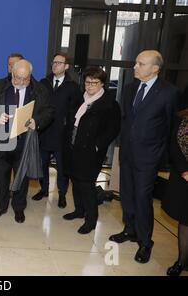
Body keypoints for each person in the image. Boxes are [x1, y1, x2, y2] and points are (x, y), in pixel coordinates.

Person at [109, 50, 179, 264]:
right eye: (136, 62)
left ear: (155, 68)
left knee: (142, 198)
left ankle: (145, 242)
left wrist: (164, 158)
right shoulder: (130, 89)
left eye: (141, 63)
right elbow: (127, 119)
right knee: (127, 194)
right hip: (128, 153)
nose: (135, 67)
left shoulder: (169, 92)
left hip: (149, 157)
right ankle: (129, 229)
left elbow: (171, 128)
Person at [0, 59, 54, 223]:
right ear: (12, 73)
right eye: (18, 78)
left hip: (24, 142)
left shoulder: (39, 90)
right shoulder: (0, 86)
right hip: (2, 141)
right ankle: (0, 207)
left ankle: (18, 208)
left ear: (30, 76)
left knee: (22, 179)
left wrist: (36, 121)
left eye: (25, 79)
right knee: (1, 178)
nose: (21, 82)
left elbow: (49, 111)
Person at [62, 67, 120, 234]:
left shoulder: (110, 104)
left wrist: (97, 145)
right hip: (73, 148)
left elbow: (113, 130)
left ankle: (91, 220)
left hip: (90, 152)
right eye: (87, 82)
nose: (89, 86)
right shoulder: (80, 99)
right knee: (75, 181)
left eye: (94, 83)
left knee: (86, 185)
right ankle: (79, 211)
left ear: (102, 83)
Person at [33, 52, 83, 208]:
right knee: (42, 164)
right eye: (53, 62)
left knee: (62, 169)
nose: (55, 65)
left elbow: (77, 111)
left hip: (62, 135)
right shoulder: (43, 83)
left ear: (66, 66)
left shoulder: (73, 86)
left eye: (59, 63)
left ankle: (62, 195)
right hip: (44, 132)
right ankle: (44, 189)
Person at [0, 53, 24, 199]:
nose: (11, 67)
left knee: (20, 171)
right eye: (9, 64)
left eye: (15, 64)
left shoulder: (34, 87)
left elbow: (44, 110)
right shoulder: (0, 85)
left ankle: (18, 200)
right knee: (0, 171)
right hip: (2, 136)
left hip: (22, 138)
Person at [161, 108, 188, 276]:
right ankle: (181, 261)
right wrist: (184, 170)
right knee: (186, 221)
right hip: (184, 176)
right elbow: (173, 145)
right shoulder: (182, 117)